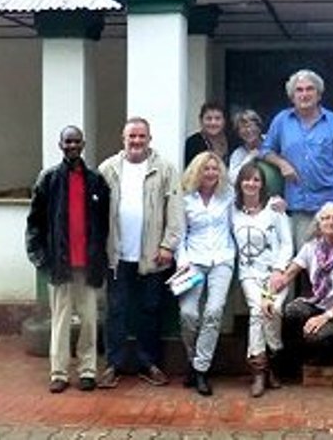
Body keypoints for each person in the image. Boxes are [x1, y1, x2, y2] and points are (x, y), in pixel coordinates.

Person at [97, 117, 184, 389]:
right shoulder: (107, 169)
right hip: (116, 255)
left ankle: (149, 364)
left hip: (153, 255)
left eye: (141, 136)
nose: (136, 141)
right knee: (116, 311)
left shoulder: (165, 169)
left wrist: (168, 245)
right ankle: (113, 364)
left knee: (150, 310)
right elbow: (96, 212)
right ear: (123, 139)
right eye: (131, 136)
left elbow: (175, 210)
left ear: (149, 139)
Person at [25, 125, 110, 393]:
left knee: (89, 319)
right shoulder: (48, 179)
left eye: (76, 141)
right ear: (60, 145)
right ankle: (59, 372)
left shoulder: (96, 180)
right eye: (68, 141)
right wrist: (39, 257)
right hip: (60, 263)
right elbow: (35, 222)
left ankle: (87, 370)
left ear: (83, 145)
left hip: (88, 264)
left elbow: (105, 224)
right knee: (60, 320)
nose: (72, 146)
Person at [261, 69, 333, 251]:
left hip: (330, 205)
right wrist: (282, 163)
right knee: (303, 260)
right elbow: (266, 150)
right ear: (292, 96)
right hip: (299, 207)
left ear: (319, 95)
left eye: (310, 89)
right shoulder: (282, 121)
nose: (304, 94)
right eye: (299, 90)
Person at [273, 202, 333, 365]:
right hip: (320, 304)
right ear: (318, 223)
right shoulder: (311, 247)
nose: (331, 222)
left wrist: (325, 317)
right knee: (292, 311)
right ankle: (291, 363)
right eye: (326, 218)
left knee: (316, 336)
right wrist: (268, 296)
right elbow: (289, 274)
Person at [175, 151, 236, 397]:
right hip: (192, 261)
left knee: (213, 311)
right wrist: (182, 261)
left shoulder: (228, 195)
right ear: (196, 171)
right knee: (188, 313)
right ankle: (192, 359)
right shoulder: (185, 198)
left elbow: (240, 220)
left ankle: (201, 369)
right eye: (206, 168)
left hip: (222, 259)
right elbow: (179, 234)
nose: (210, 173)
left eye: (214, 168)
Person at [231, 161, 293, 397]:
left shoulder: (274, 210)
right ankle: (259, 371)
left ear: (262, 184)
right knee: (258, 310)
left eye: (256, 180)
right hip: (249, 274)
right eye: (247, 179)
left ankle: (272, 361)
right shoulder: (232, 211)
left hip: (275, 274)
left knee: (273, 310)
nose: (251, 183)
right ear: (239, 183)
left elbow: (287, 243)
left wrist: (279, 270)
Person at [184, 101, 229, 167]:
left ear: (224, 121)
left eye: (217, 118)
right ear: (201, 120)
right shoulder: (192, 143)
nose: (213, 123)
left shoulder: (231, 141)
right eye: (208, 119)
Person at [228, 109, 264, 183]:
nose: (248, 130)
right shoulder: (238, 153)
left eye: (251, 125)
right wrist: (249, 158)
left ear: (259, 127)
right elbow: (232, 179)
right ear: (238, 133)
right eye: (243, 127)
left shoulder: (272, 142)